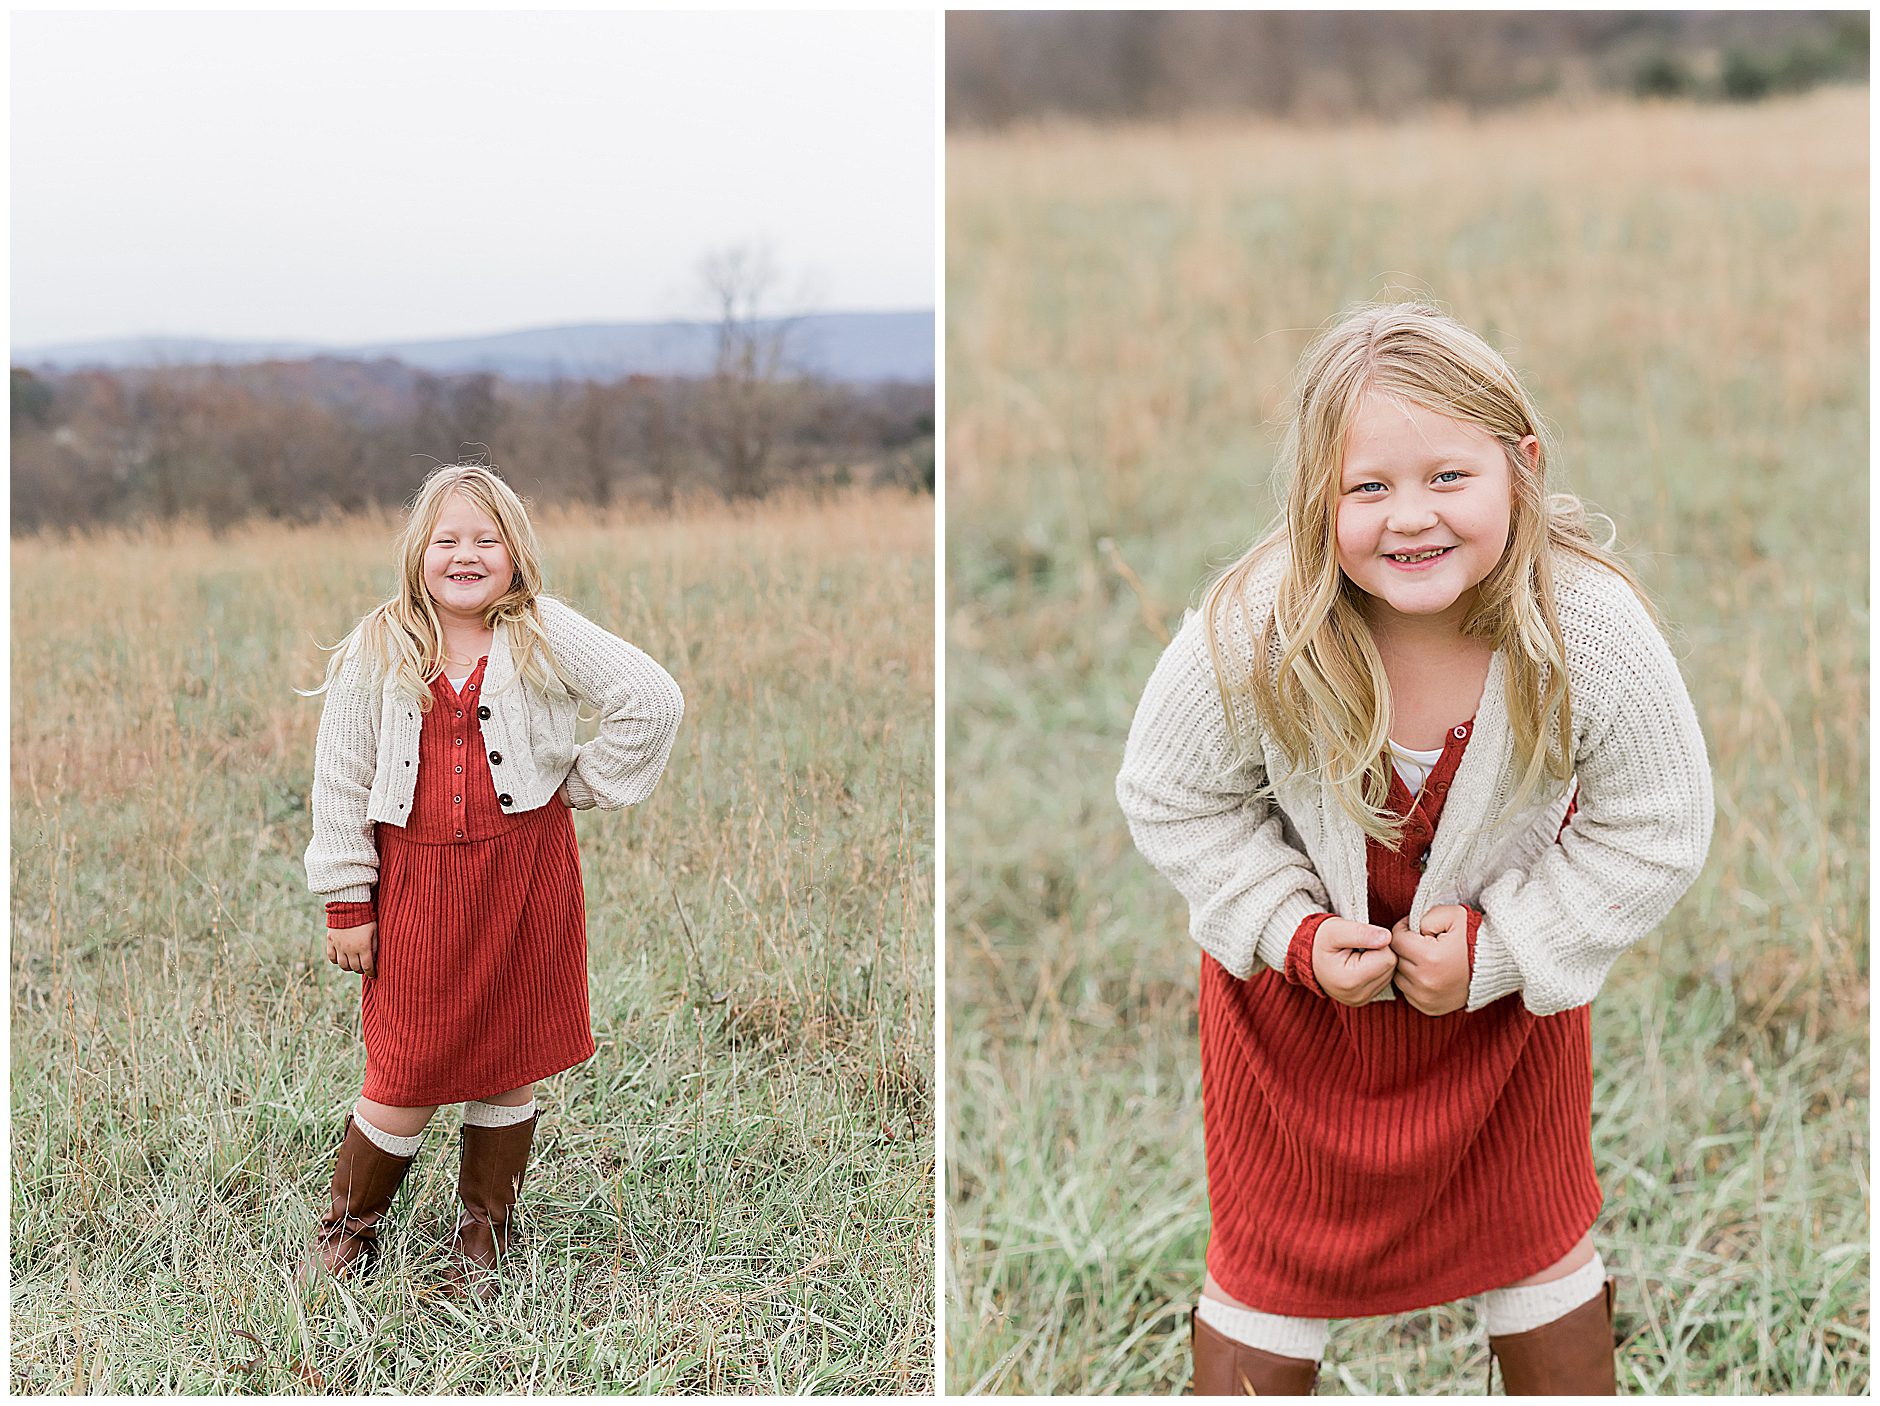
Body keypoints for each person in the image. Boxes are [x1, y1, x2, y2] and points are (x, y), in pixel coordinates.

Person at [1115, 302, 1713, 1394]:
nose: (1410, 518)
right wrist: (1286, 926)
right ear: (1316, 497)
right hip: (1294, 1025)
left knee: (1537, 1241)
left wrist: (1503, 945)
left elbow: (1659, 821)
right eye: (1367, 488)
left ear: (1518, 469)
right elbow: (1168, 791)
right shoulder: (1259, 624)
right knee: (1267, 1264)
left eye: (1448, 477)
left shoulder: (1586, 625)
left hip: (1501, 1020)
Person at [298, 463, 684, 1296]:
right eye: (447, 540)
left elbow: (651, 698)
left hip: (525, 876)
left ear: (515, 551)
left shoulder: (541, 628)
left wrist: (576, 782)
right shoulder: (383, 641)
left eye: (486, 539)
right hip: (418, 886)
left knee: (511, 1055)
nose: (466, 555)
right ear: (418, 553)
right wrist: (346, 899)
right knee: (404, 1064)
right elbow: (339, 776)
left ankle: (483, 1238)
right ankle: (348, 1231)